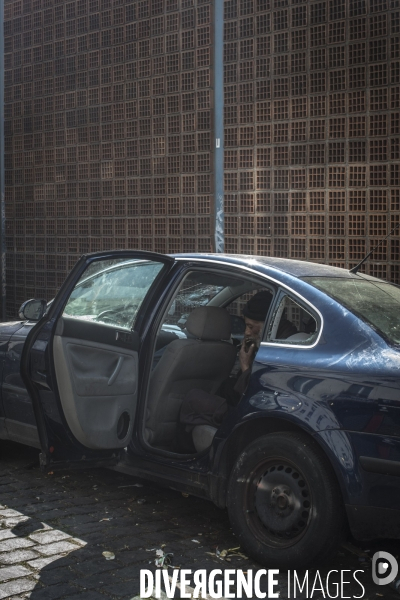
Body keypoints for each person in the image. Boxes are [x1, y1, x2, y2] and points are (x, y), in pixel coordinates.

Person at [177, 290, 274, 452]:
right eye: (246, 326)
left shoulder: (278, 351)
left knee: (192, 399)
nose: (247, 332)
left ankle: (180, 457)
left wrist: (244, 366)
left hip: (248, 414)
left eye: (251, 327)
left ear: (269, 324)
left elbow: (254, 393)